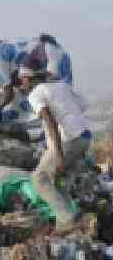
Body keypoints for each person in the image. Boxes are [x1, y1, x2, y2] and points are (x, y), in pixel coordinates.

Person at [20, 65, 91, 232]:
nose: (21, 82)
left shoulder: (35, 94)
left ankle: (67, 220)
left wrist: (59, 155)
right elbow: (82, 105)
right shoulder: (61, 86)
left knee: (39, 178)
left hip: (69, 140)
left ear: (29, 78)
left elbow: (50, 122)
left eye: (22, 78)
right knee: (60, 184)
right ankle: (73, 222)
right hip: (84, 136)